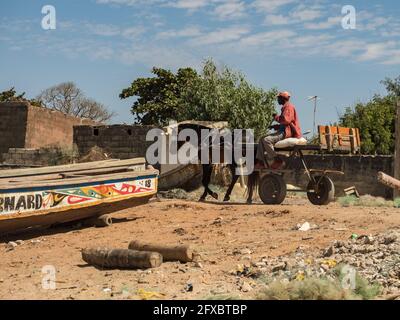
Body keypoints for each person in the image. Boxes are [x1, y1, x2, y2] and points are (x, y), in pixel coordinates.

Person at [255, 91, 302, 169]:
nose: (277, 100)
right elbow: (285, 123)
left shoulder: (288, 107)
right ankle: (261, 162)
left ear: (283, 98)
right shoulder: (286, 107)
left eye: (278, 98)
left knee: (266, 140)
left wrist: (276, 117)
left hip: (286, 133)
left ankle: (277, 160)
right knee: (261, 139)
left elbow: (286, 120)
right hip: (284, 130)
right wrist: (275, 127)